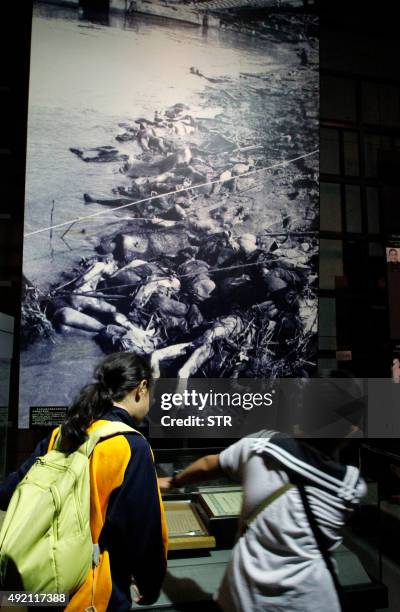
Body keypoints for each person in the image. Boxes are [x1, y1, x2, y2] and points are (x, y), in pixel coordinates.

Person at [159, 377, 366, 612]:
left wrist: (175, 481)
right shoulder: (351, 487)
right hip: (314, 601)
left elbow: (209, 464)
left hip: (246, 600)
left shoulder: (261, 446)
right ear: (351, 429)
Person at [0, 352, 168, 611]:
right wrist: (150, 585)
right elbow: (144, 535)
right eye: (152, 394)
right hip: (92, 596)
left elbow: (7, 492)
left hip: (47, 588)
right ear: (141, 388)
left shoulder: (62, 434)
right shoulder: (130, 446)